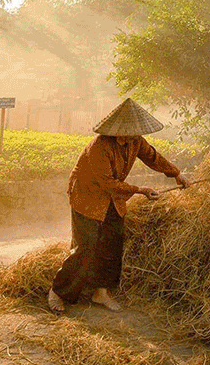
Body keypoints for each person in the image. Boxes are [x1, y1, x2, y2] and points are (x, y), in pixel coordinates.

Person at [47, 98, 190, 313]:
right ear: (117, 130)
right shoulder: (99, 147)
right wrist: (140, 190)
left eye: (136, 132)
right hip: (88, 197)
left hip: (114, 198)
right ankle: (58, 292)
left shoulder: (135, 142)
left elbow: (152, 157)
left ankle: (100, 294)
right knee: (86, 247)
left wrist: (176, 174)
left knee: (111, 245)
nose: (133, 136)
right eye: (129, 132)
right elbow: (107, 183)